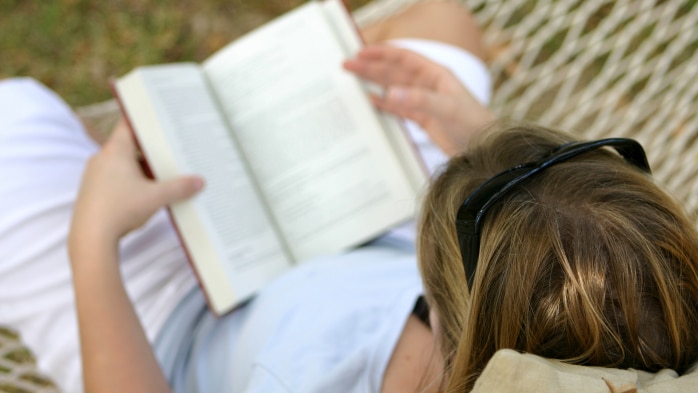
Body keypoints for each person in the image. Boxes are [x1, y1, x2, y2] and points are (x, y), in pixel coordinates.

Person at [2, 2, 698, 393]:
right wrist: (481, 140)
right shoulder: (635, 320)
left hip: (169, 323)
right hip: (363, 242)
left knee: (12, 119)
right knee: (440, 26)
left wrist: (91, 243)